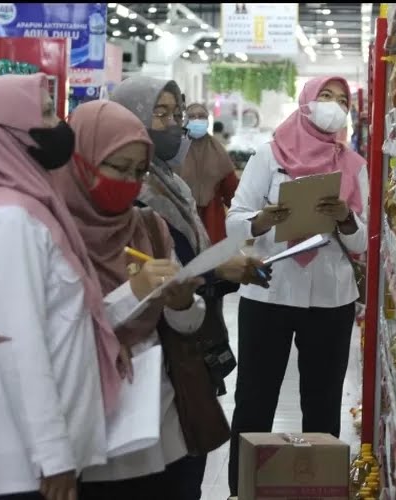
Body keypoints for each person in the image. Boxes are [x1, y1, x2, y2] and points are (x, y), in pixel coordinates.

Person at [0, 74, 128, 500]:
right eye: (45, 113)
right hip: (21, 462)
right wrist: (52, 455)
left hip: (36, 453)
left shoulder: (33, 207)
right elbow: (17, 342)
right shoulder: (10, 220)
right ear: (8, 134)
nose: (59, 124)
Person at [111, 76, 270, 499]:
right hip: (147, 351)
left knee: (185, 465)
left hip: (187, 337)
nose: (174, 124)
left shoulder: (172, 183)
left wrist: (221, 268)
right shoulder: (124, 192)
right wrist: (215, 270)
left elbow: (186, 254)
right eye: (159, 113)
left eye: (177, 114)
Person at [51, 99, 207, 499]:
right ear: (80, 159)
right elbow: (52, 331)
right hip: (87, 432)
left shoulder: (150, 227)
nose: (130, 182)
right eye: (118, 168)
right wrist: (133, 292)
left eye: (139, 172)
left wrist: (182, 303)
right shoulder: (50, 236)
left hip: (159, 425)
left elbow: (187, 325)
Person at [225, 76, 370, 495]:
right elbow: (236, 220)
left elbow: (361, 244)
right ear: (307, 101)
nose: (334, 105)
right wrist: (262, 219)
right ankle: (243, 486)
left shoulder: (353, 165)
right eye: (326, 96)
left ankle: (317, 486)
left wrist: (345, 217)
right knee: (255, 397)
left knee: (322, 402)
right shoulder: (268, 156)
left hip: (331, 296)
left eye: (342, 100)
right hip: (270, 288)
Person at [181, 103, 240, 244]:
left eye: (201, 116)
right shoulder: (175, 151)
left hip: (213, 225)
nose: (197, 120)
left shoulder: (218, 152)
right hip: (182, 223)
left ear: (208, 120)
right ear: (185, 120)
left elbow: (233, 195)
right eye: (192, 116)